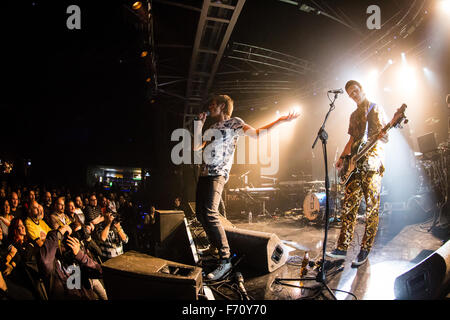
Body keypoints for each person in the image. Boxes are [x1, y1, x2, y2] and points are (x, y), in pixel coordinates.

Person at [194, 94, 299, 280]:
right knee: (200, 214)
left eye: (213, 104)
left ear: (223, 106)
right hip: (203, 173)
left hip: (217, 173)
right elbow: (196, 147)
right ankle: (213, 246)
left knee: (210, 213)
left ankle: (225, 260)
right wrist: (199, 125)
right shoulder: (211, 127)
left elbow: (257, 134)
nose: (210, 107)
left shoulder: (234, 122)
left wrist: (280, 120)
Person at [327, 80, 389, 267]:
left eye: (355, 91)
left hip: (371, 164)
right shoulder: (354, 115)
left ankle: (365, 248)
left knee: (371, 209)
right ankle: (341, 249)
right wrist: (342, 157)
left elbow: (385, 136)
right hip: (354, 166)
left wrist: (384, 135)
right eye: (350, 94)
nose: (353, 95)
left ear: (362, 89)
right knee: (348, 208)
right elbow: (353, 138)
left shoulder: (375, 108)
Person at [37, 225, 103, 300]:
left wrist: (80, 255)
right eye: (62, 241)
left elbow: (99, 272)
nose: (67, 243)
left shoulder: (77, 259)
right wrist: (57, 233)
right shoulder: (53, 264)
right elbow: (45, 262)